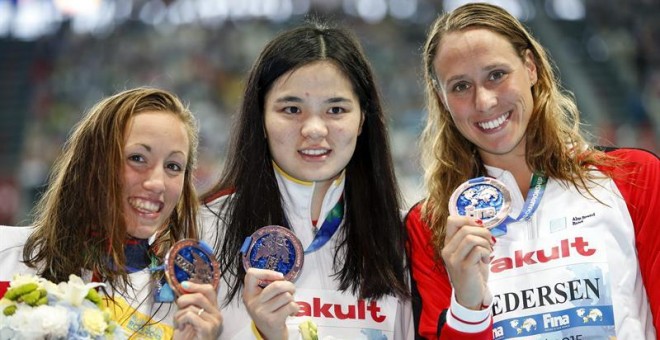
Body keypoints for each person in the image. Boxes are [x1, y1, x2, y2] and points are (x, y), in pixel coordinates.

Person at [405, 3, 660, 339]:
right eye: (460, 87)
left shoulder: (634, 177)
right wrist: (467, 308)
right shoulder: (432, 225)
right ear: (442, 98)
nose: (484, 102)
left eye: (496, 75)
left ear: (530, 68)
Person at [200, 22, 413, 339]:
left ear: (362, 121)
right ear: (261, 118)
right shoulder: (206, 230)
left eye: (336, 109)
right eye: (292, 108)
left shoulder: (399, 239)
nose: (314, 128)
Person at [0, 87, 223, 339]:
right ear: (92, 164)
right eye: (138, 158)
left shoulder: (182, 307)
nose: (158, 183)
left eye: (173, 166)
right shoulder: (7, 254)